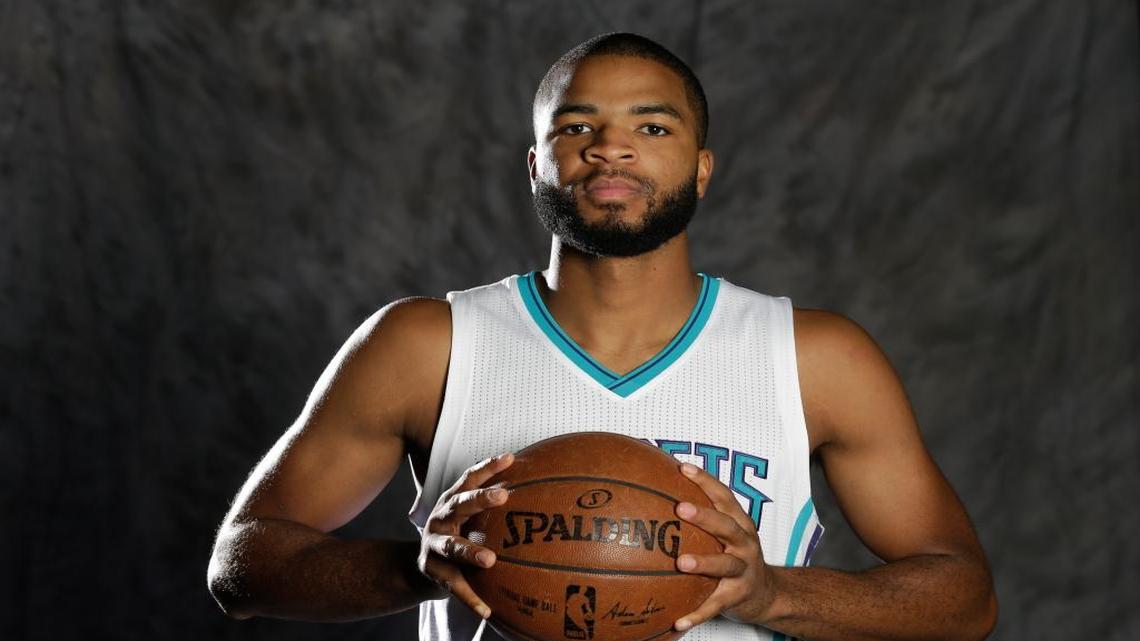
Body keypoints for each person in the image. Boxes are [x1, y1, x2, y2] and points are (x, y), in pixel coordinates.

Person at [208, 32, 997, 641]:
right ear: (535, 165)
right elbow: (240, 564)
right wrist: (413, 566)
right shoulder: (427, 344)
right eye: (576, 125)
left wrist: (773, 592)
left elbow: (966, 599)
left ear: (702, 169)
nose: (610, 147)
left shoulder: (816, 357)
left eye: (652, 127)